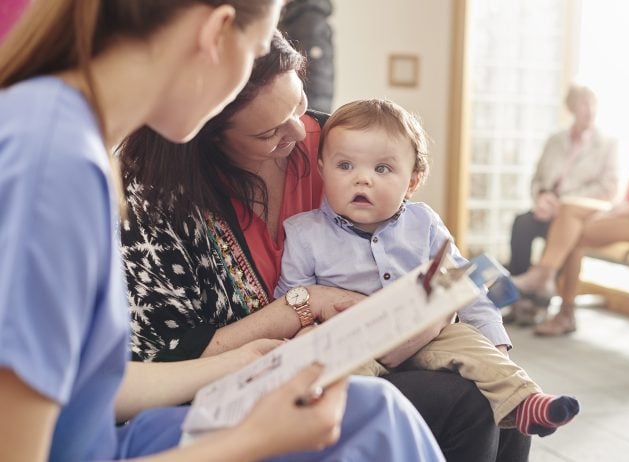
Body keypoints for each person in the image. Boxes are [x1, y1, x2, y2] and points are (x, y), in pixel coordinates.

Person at [0, 2, 443, 461]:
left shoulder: (67, 132)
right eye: (256, 48)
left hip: (100, 435)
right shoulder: (53, 167)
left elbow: (88, 386)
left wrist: (248, 362)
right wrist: (253, 440)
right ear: (217, 34)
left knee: (376, 410)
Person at [120, 32, 532, 462]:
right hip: (271, 377)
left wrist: (433, 316)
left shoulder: (342, 146)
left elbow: (431, 255)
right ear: (205, 135)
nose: (300, 132)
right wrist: (307, 303)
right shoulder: (155, 205)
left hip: (405, 341)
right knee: (461, 402)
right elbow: (162, 361)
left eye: (297, 103)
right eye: (269, 132)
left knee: (510, 406)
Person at [276, 98, 580, 436]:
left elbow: (465, 286)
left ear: (412, 180)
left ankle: (525, 401)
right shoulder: (304, 233)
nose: (362, 180)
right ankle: (359, 432)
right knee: (334, 366)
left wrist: (496, 347)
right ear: (321, 169)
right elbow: (289, 302)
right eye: (344, 166)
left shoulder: (424, 223)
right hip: (352, 340)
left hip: (427, 336)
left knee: (468, 340)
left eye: (382, 169)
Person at [513, 81, 629, 336]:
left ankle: (549, 287)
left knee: (575, 234)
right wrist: (619, 208)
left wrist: (626, 209)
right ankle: (552, 290)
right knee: (570, 213)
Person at [505, 84, 618, 325]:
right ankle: (517, 298)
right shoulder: (556, 140)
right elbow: (537, 178)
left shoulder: (607, 144)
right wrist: (542, 196)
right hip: (548, 207)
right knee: (521, 225)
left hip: (576, 214)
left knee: (562, 234)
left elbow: (608, 189)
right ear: (571, 108)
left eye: (593, 104)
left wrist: (565, 203)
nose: (589, 110)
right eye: (583, 104)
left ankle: (540, 302)